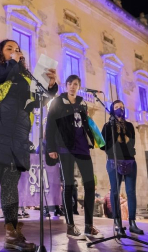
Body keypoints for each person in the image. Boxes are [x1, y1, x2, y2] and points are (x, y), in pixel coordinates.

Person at [0, 39, 58, 252]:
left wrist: (50, 87)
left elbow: (38, 102)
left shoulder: (25, 77)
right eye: (10, 49)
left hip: (17, 138)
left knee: (10, 188)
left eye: (18, 50)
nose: (15, 52)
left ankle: (11, 235)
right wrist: (13, 64)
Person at [46, 74, 104, 240]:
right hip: (65, 147)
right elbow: (50, 125)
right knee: (69, 184)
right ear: (66, 85)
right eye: (70, 83)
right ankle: (70, 226)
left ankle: (88, 226)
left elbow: (87, 124)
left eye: (76, 84)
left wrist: (96, 141)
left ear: (79, 86)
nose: (73, 86)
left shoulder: (82, 103)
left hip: (82, 147)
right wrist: (51, 147)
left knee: (90, 184)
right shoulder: (58, 102)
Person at [100, 100, 144, 234]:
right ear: (112, 110)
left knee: (131, 192)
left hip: (130, 160)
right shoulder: (107, 126)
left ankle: (132, 222)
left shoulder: (130, 126)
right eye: (117, 107)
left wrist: (124, 137)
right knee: (115, 192)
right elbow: (103, 145)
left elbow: (132, 142)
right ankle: (117, 223)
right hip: (114, 161)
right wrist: (115, 138)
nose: (120, 109)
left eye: (122, 107)